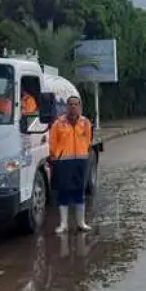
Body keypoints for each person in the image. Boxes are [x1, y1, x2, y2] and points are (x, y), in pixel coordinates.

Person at [48, 95, 92, 234]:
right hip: (63, 161)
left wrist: (83, 151)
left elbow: (88, 139)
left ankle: (81, 223)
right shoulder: (58, 123)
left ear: (79, 106)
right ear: (67, 107)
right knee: (64, 191)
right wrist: (56, 155)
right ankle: (63, 224)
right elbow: (52, 141)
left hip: (80, 160)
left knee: (79, 190)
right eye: (70, 104)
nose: (73, 106)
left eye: (76, 104)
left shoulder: (85, 122)